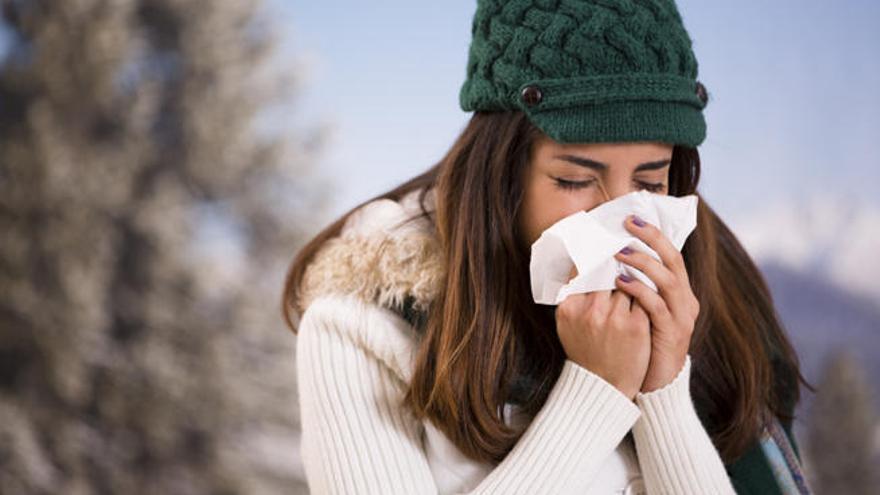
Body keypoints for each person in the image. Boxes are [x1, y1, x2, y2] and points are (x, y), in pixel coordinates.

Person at [282, 1, 812, 493]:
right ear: (503, 171)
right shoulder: (360, 327)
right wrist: (596, 392)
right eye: (576, 180)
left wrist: (664, 392)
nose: (620, 219)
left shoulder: (720, 294)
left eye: (650, 184)